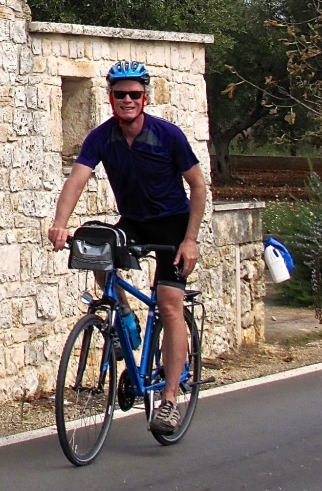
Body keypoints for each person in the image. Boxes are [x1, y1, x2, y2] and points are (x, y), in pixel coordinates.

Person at [47, 61, 208, 435]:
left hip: (172, 224)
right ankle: (123, 315)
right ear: (110, 98)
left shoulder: (167, 135)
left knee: (169, 304)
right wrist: (60, 223)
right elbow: (76, 180)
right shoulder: (102, 137)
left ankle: (169, 400)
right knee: (97, 248)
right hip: (133, 220)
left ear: (145, 97)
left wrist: (190, 239)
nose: (127, 101)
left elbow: (199, 187)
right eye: (120, 95)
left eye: (134, 94)